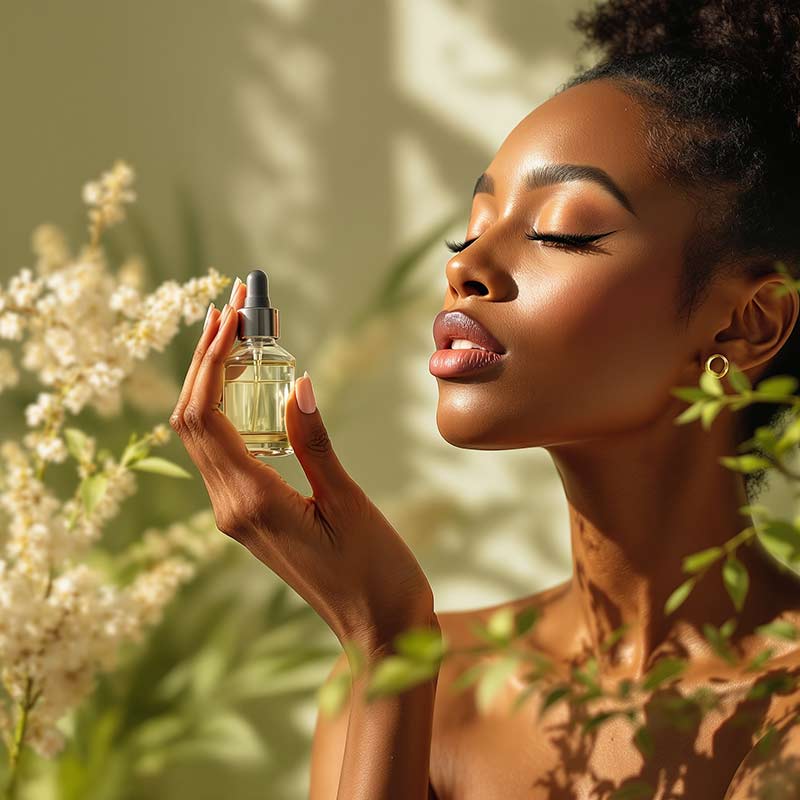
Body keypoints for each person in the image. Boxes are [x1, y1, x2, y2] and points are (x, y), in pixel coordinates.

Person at [170, 1, 800, 797]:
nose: (466, 267)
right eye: (467, 231)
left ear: (748, 324)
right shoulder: (435, 679)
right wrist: (387, 645)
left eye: (565, 231)